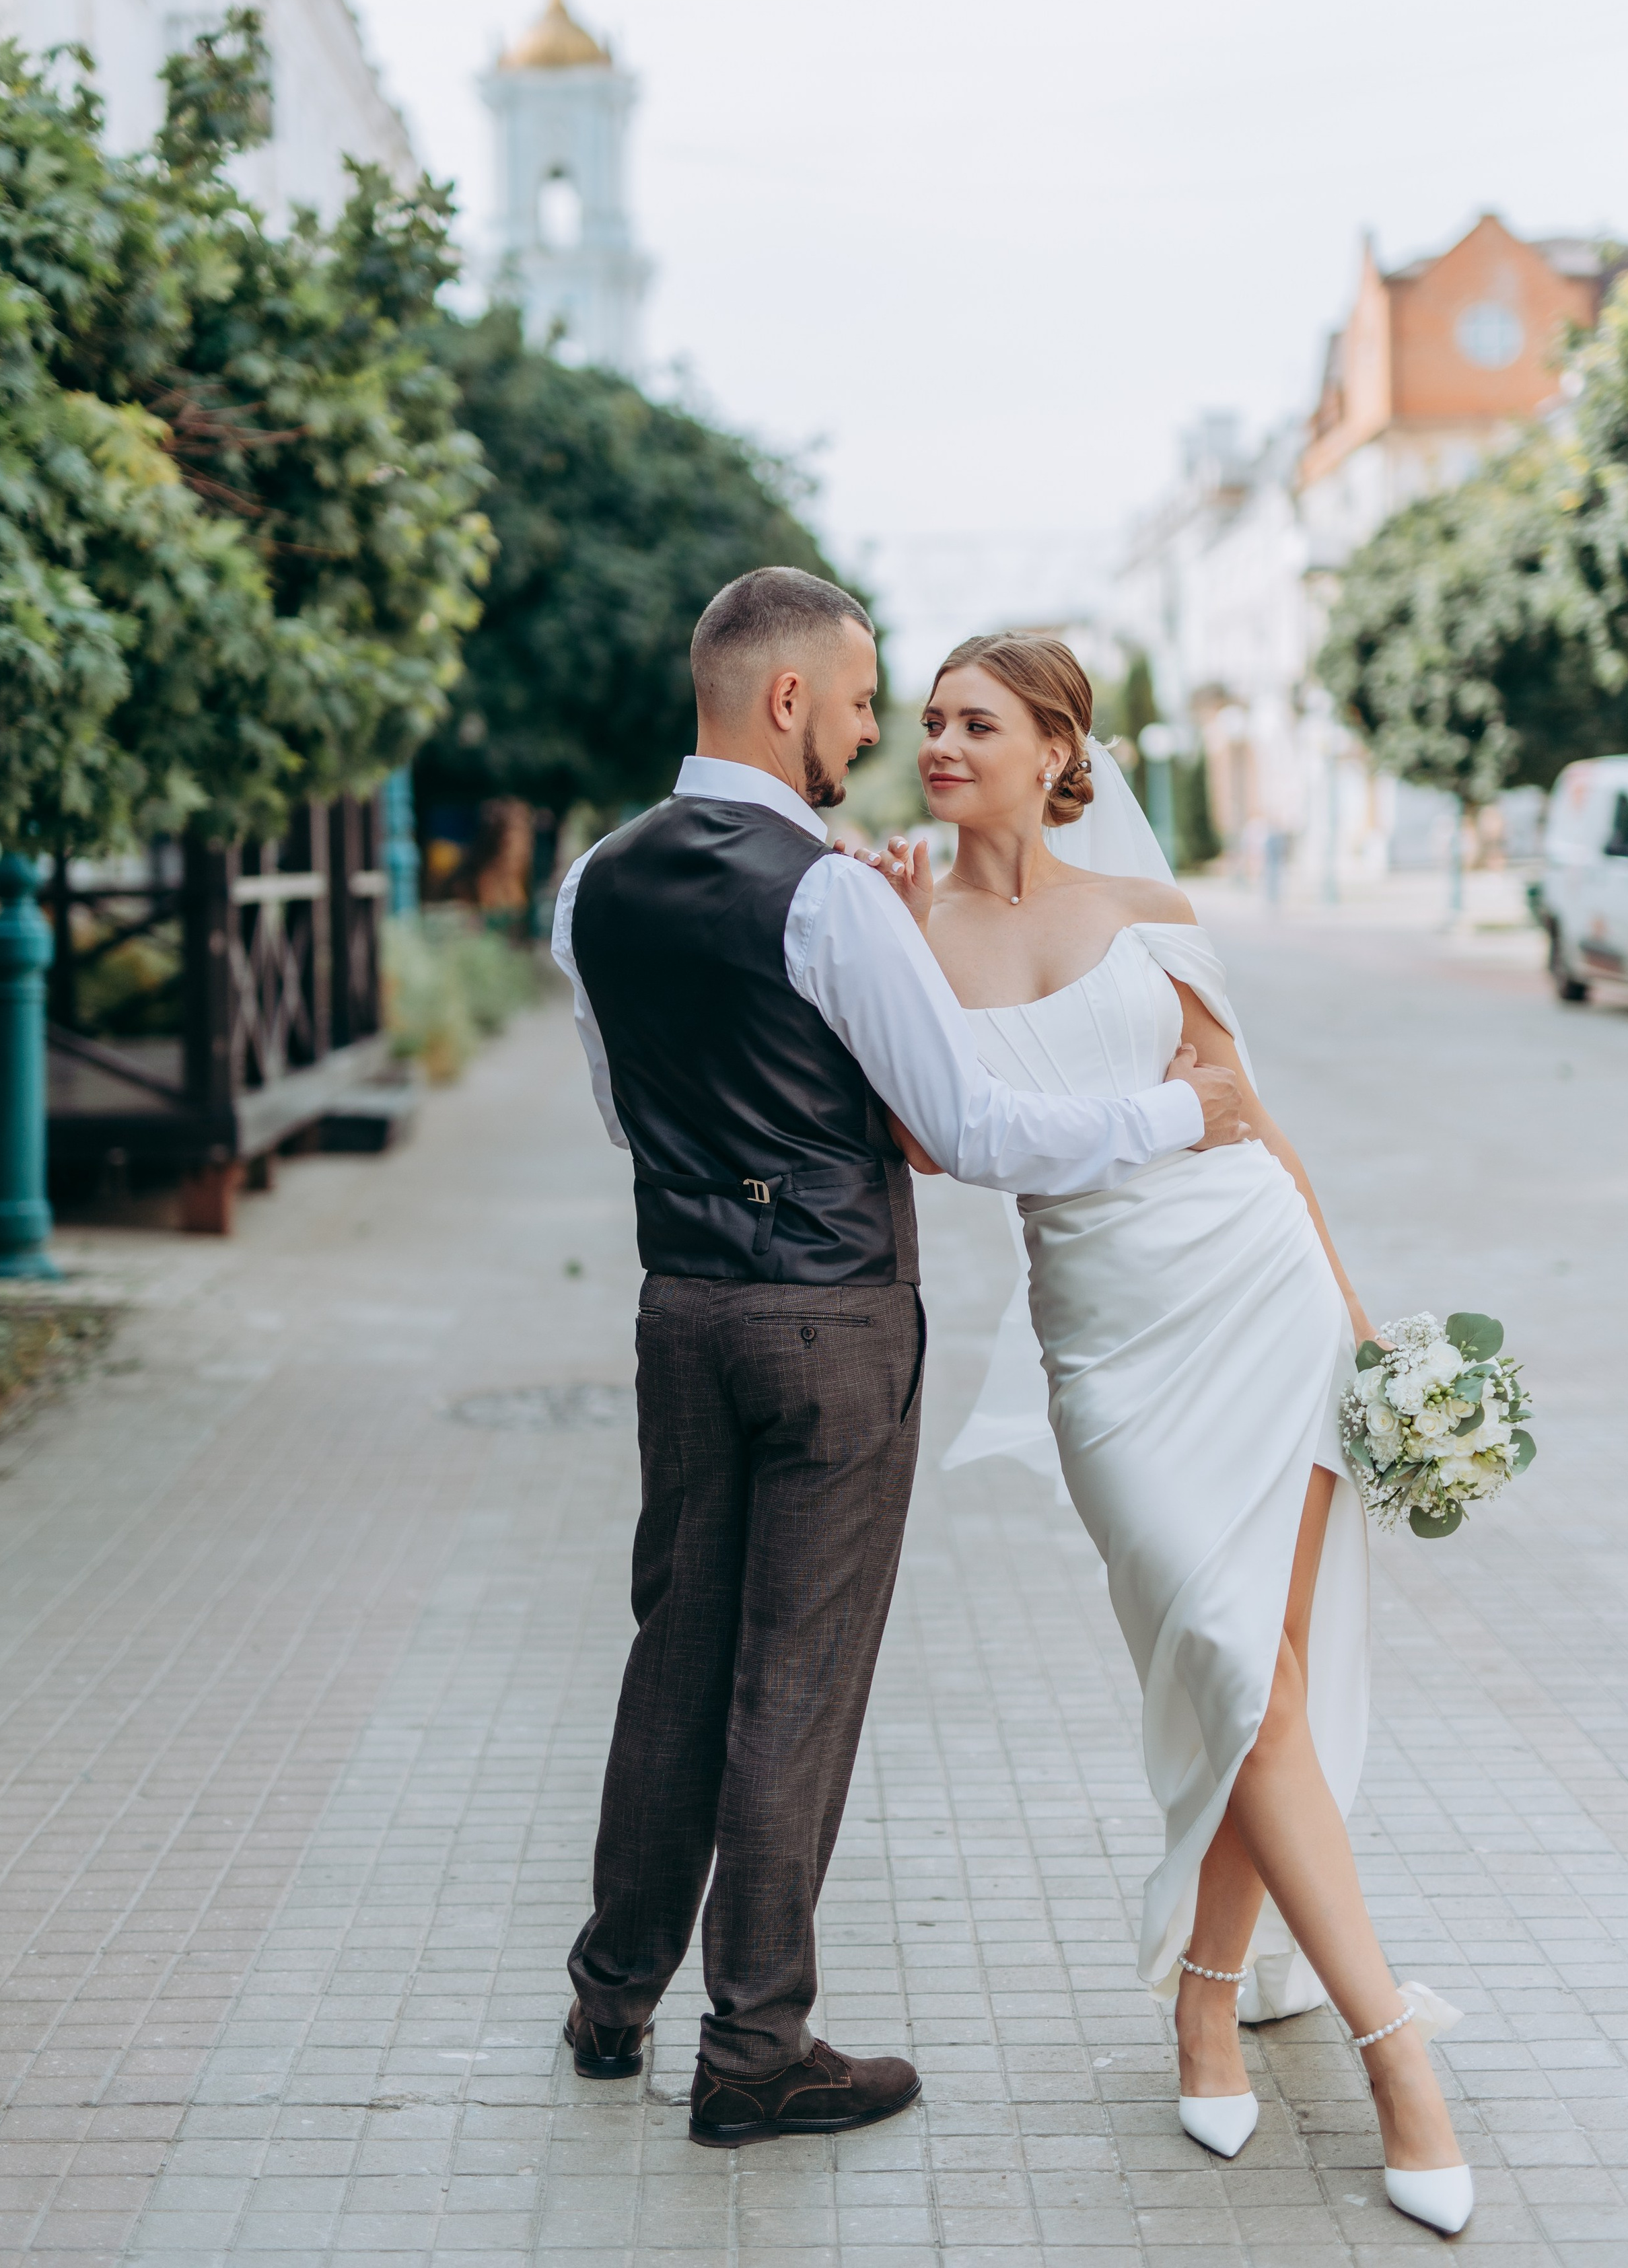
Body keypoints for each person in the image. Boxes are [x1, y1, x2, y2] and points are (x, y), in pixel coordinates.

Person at [550, 567, 1251, 2149]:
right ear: (786, 698)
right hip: (832, 1322)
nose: (874, 732)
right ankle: (754, 2048)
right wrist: (1175, 1111)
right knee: (794, 1679)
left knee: (675, 1647)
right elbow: (972, 1129)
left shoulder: (593, 877)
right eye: (865, 701)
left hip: (681, 1311)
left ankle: (611, 1999)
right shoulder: (828, 892)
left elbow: (621, 1113)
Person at [853, 631, 1473, 2237]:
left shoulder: (1149, 914)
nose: (936, 739)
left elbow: (1253, 1118)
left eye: (970, 719)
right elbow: (932, 1143)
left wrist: (1369, 1338)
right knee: (1213, 1646)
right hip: (1107, 1342)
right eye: (924, 719)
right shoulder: (898, 925)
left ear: (1060, 748)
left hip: (1258, 1289)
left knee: (1248, 1673)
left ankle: (1256, 2011)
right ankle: (1363, 2029)